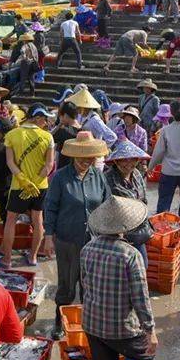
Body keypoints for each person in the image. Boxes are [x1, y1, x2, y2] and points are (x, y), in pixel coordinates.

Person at [81, 196, 157, 360]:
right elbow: (140, 298)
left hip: (92, 324)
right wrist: (150, 329)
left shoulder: (87, 249)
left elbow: (86, 285)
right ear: (127, 226)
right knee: (145, 355)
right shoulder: (130, 254)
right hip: (121, 328)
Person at [45, 132, 110, 337]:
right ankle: (58, 322)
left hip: (93, 241)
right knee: (66, 285)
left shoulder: (98, 176)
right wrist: (48, 236)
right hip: (67, 240)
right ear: (73, 156)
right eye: (82, 158)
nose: (86, 162)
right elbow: (51, 207)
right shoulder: (60, 177)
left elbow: (107, 205)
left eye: (90, 158)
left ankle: (85, 323)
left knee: (88, 286)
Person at [0, 103, 55, 268]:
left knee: (11, 220)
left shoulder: (12, 135)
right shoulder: (48, 137)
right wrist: (35, 183)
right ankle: (33, 257)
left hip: (19, 186)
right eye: (45, 119)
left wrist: (23, 180)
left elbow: (10, 162)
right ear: (37, 118)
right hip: (40, 187)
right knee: (38, 220)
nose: (46, 123)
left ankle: (7, 259)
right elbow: (49, 166)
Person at [103, 140, 152, 266]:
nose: (129, 164)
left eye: (133, 160)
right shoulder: (108, 179)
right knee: (122, 268)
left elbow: (144, 200)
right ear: (116, 161)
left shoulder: (136, 174)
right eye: (124, 160)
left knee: (142, 264)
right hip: (118, 235)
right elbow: (104, 209)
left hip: (138, 231)